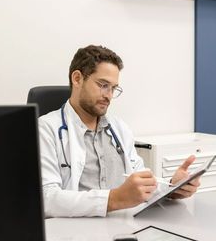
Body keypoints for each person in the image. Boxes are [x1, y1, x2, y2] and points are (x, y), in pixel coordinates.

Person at [39, 45, 200, 217]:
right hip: (74, 235)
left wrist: (172, 187)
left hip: (124, 227)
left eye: (113, 88)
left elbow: (141, 183)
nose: (108, 95)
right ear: (77, 79)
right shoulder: (46, 129)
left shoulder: (119, 129)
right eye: (103, 85)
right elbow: (46, 198)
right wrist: (113, 199)